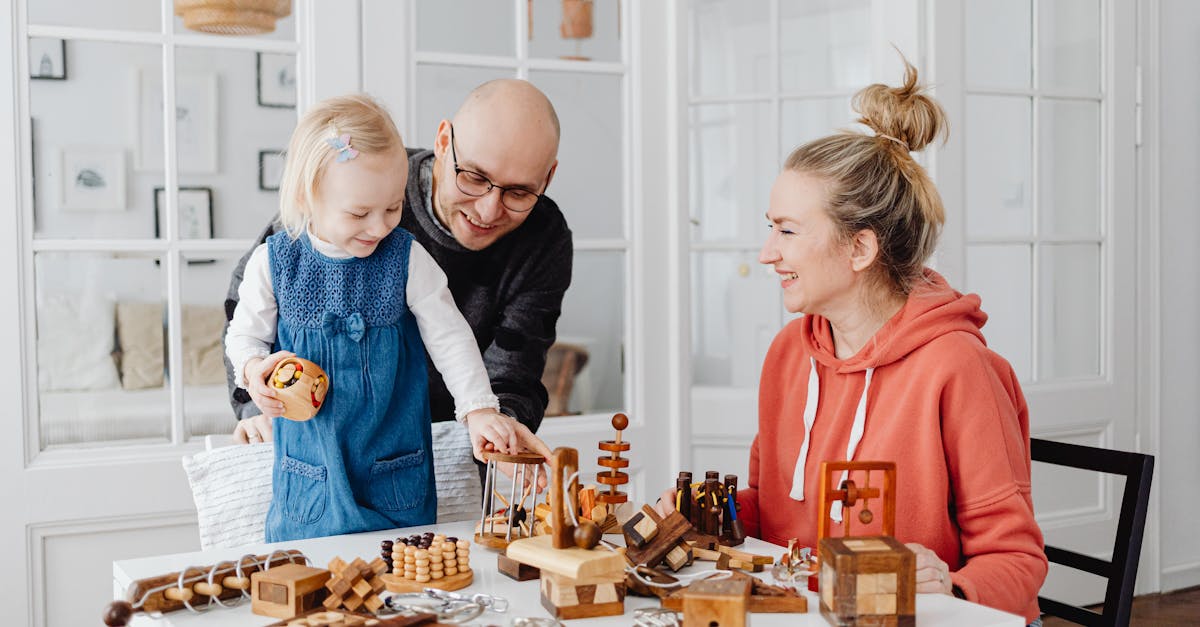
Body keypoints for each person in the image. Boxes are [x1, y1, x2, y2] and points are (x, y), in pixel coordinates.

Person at [658, 61, 1047, 624]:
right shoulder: (789, 352)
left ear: (859, 249)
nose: (767, 252)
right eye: (771, 226)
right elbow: (773, 512)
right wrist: (706, 512)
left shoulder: (958, 366)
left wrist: (950, 588)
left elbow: (1017, 562)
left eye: (787, 230)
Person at [225, 94, 550, 542]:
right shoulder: (274, 263)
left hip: (394, 462)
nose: (380, 227)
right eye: (359, 213)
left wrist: (478, 410)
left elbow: (450, 335)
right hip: (309, 464)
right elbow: (244, 335)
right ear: (306, 196)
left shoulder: (406, 258)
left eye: (393, 208)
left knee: (407, 570)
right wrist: (253, 370)